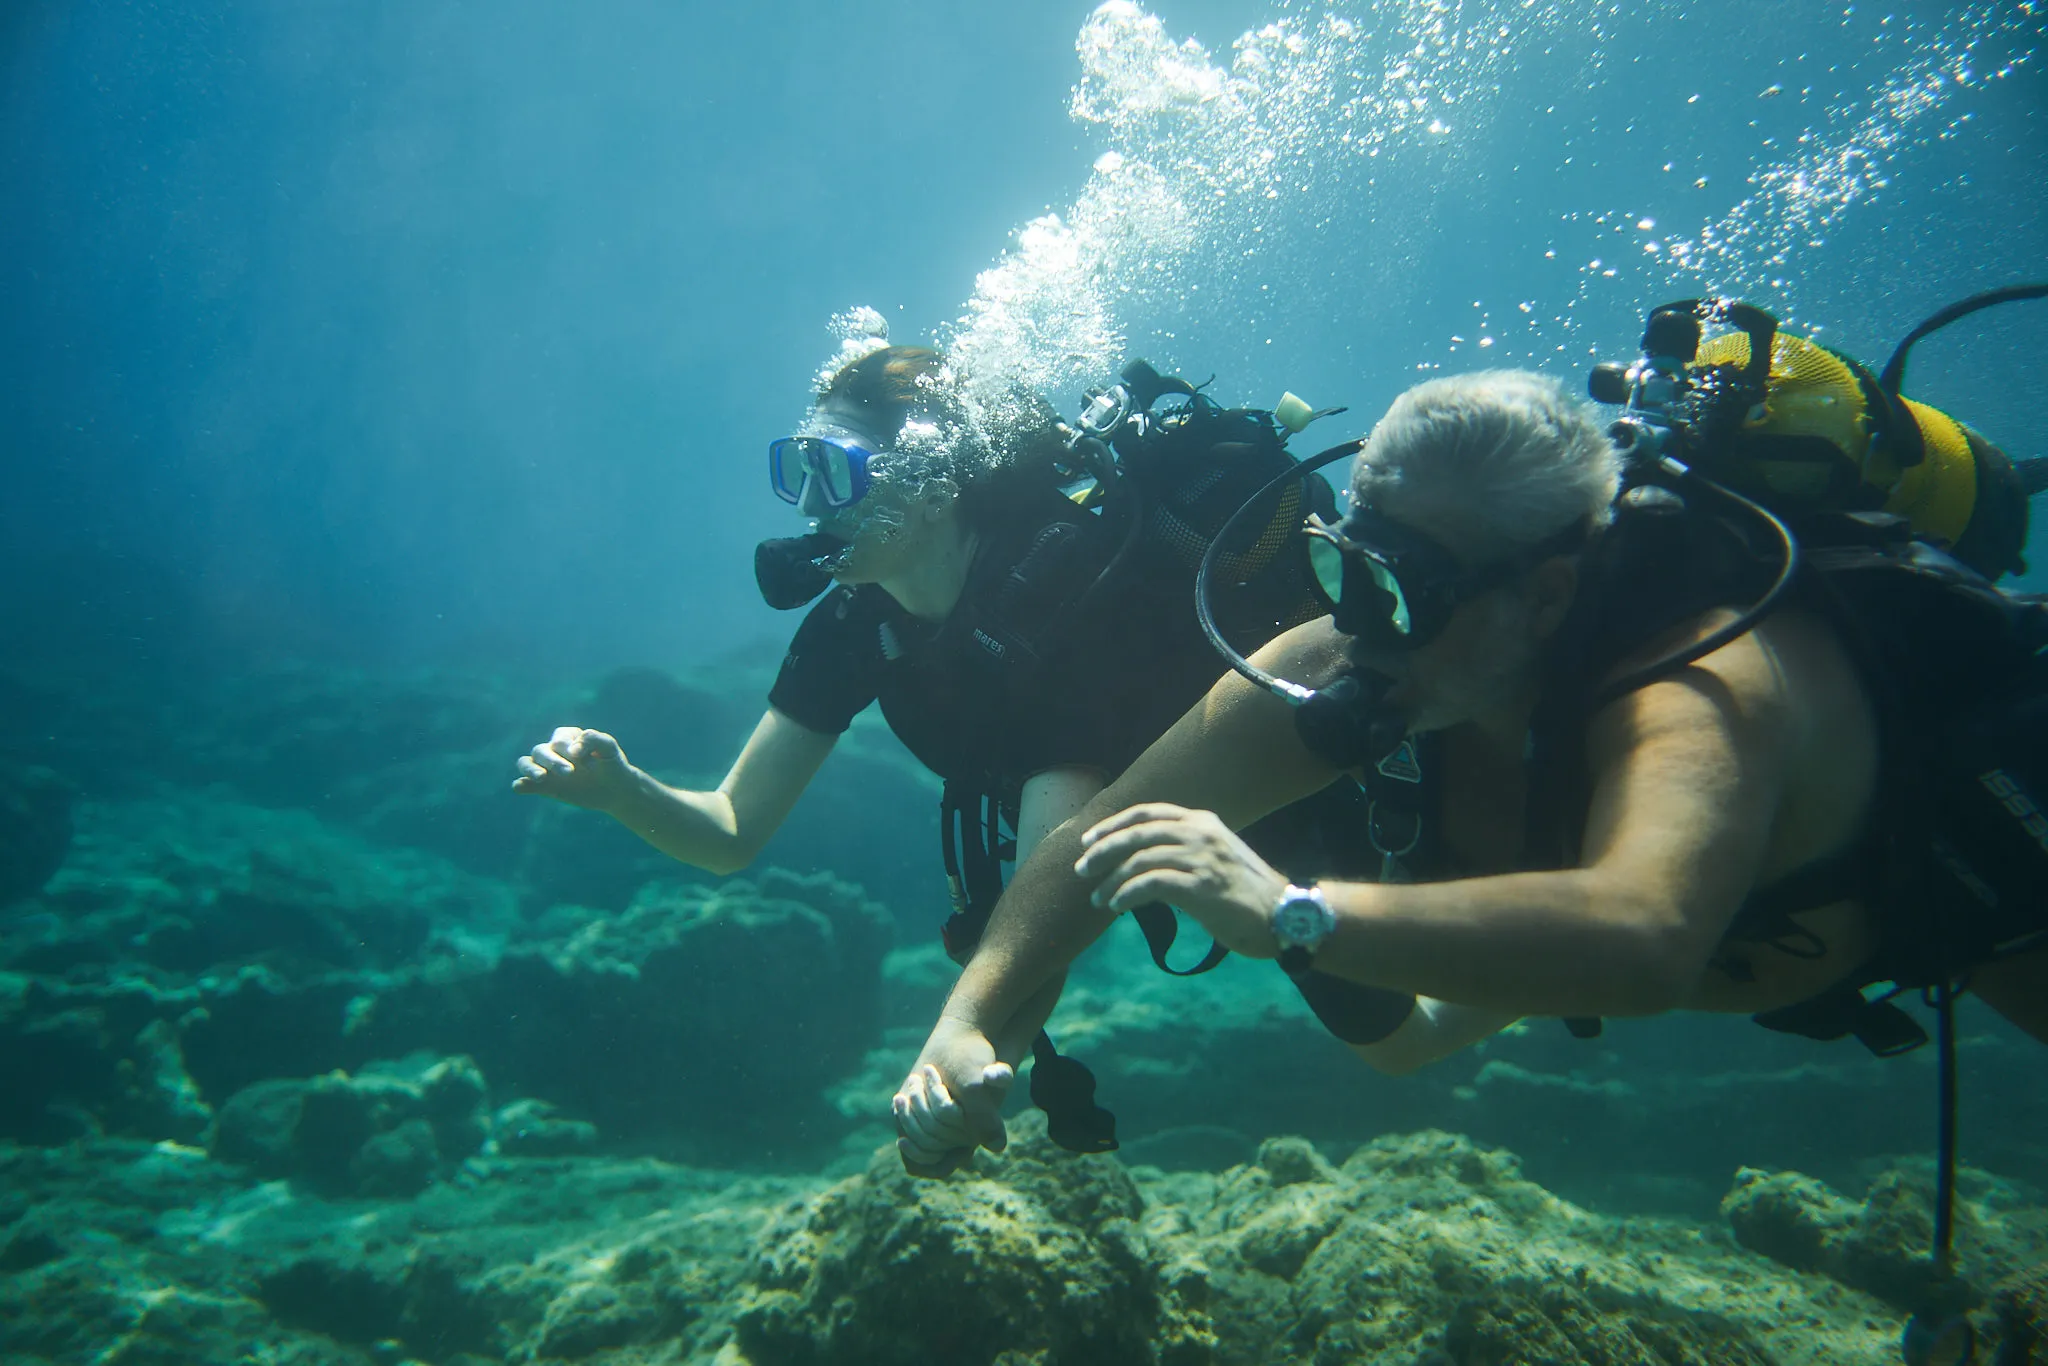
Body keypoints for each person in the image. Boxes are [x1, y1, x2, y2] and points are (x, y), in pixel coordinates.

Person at [893, 365, 2048, 1174]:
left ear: (1545, 594)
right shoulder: (1355, 650)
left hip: (1961, 899)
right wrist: (969, 1022)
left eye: (1402, 591)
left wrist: (1291, 911)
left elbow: (1645, 933)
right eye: (1343, 569)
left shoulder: (1695, 683)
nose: (1360, 630)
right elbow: (1098, 827)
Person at [515, 339, 1379, 1152]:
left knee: (1399, 1034)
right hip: (1168, 841)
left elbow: (1053, 889)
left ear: (932, 487)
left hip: (1311, 794)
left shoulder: (1060, 597)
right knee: (1397, 1037)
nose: (810, 505)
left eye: (834, 471)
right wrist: (622, 790)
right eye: (796, 468)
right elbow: (730, 831)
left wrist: (963, 1051)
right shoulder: (854, 622)